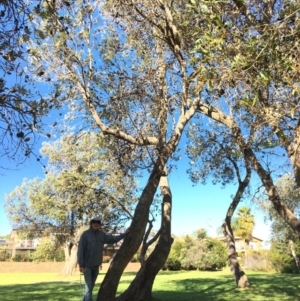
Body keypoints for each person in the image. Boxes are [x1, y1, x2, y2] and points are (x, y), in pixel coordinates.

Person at [77, 215, 130, 301]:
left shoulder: (102, 235)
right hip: (87, 266)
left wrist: (124, 234)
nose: (96, 224)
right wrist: (81, 264)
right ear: (91, 223)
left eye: (98, 222)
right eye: (94, 222)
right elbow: (80, 250)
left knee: (90, 287)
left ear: (100, 224)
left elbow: (113, 239)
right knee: (88, 286)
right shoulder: (85, 234)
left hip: (96, 265)